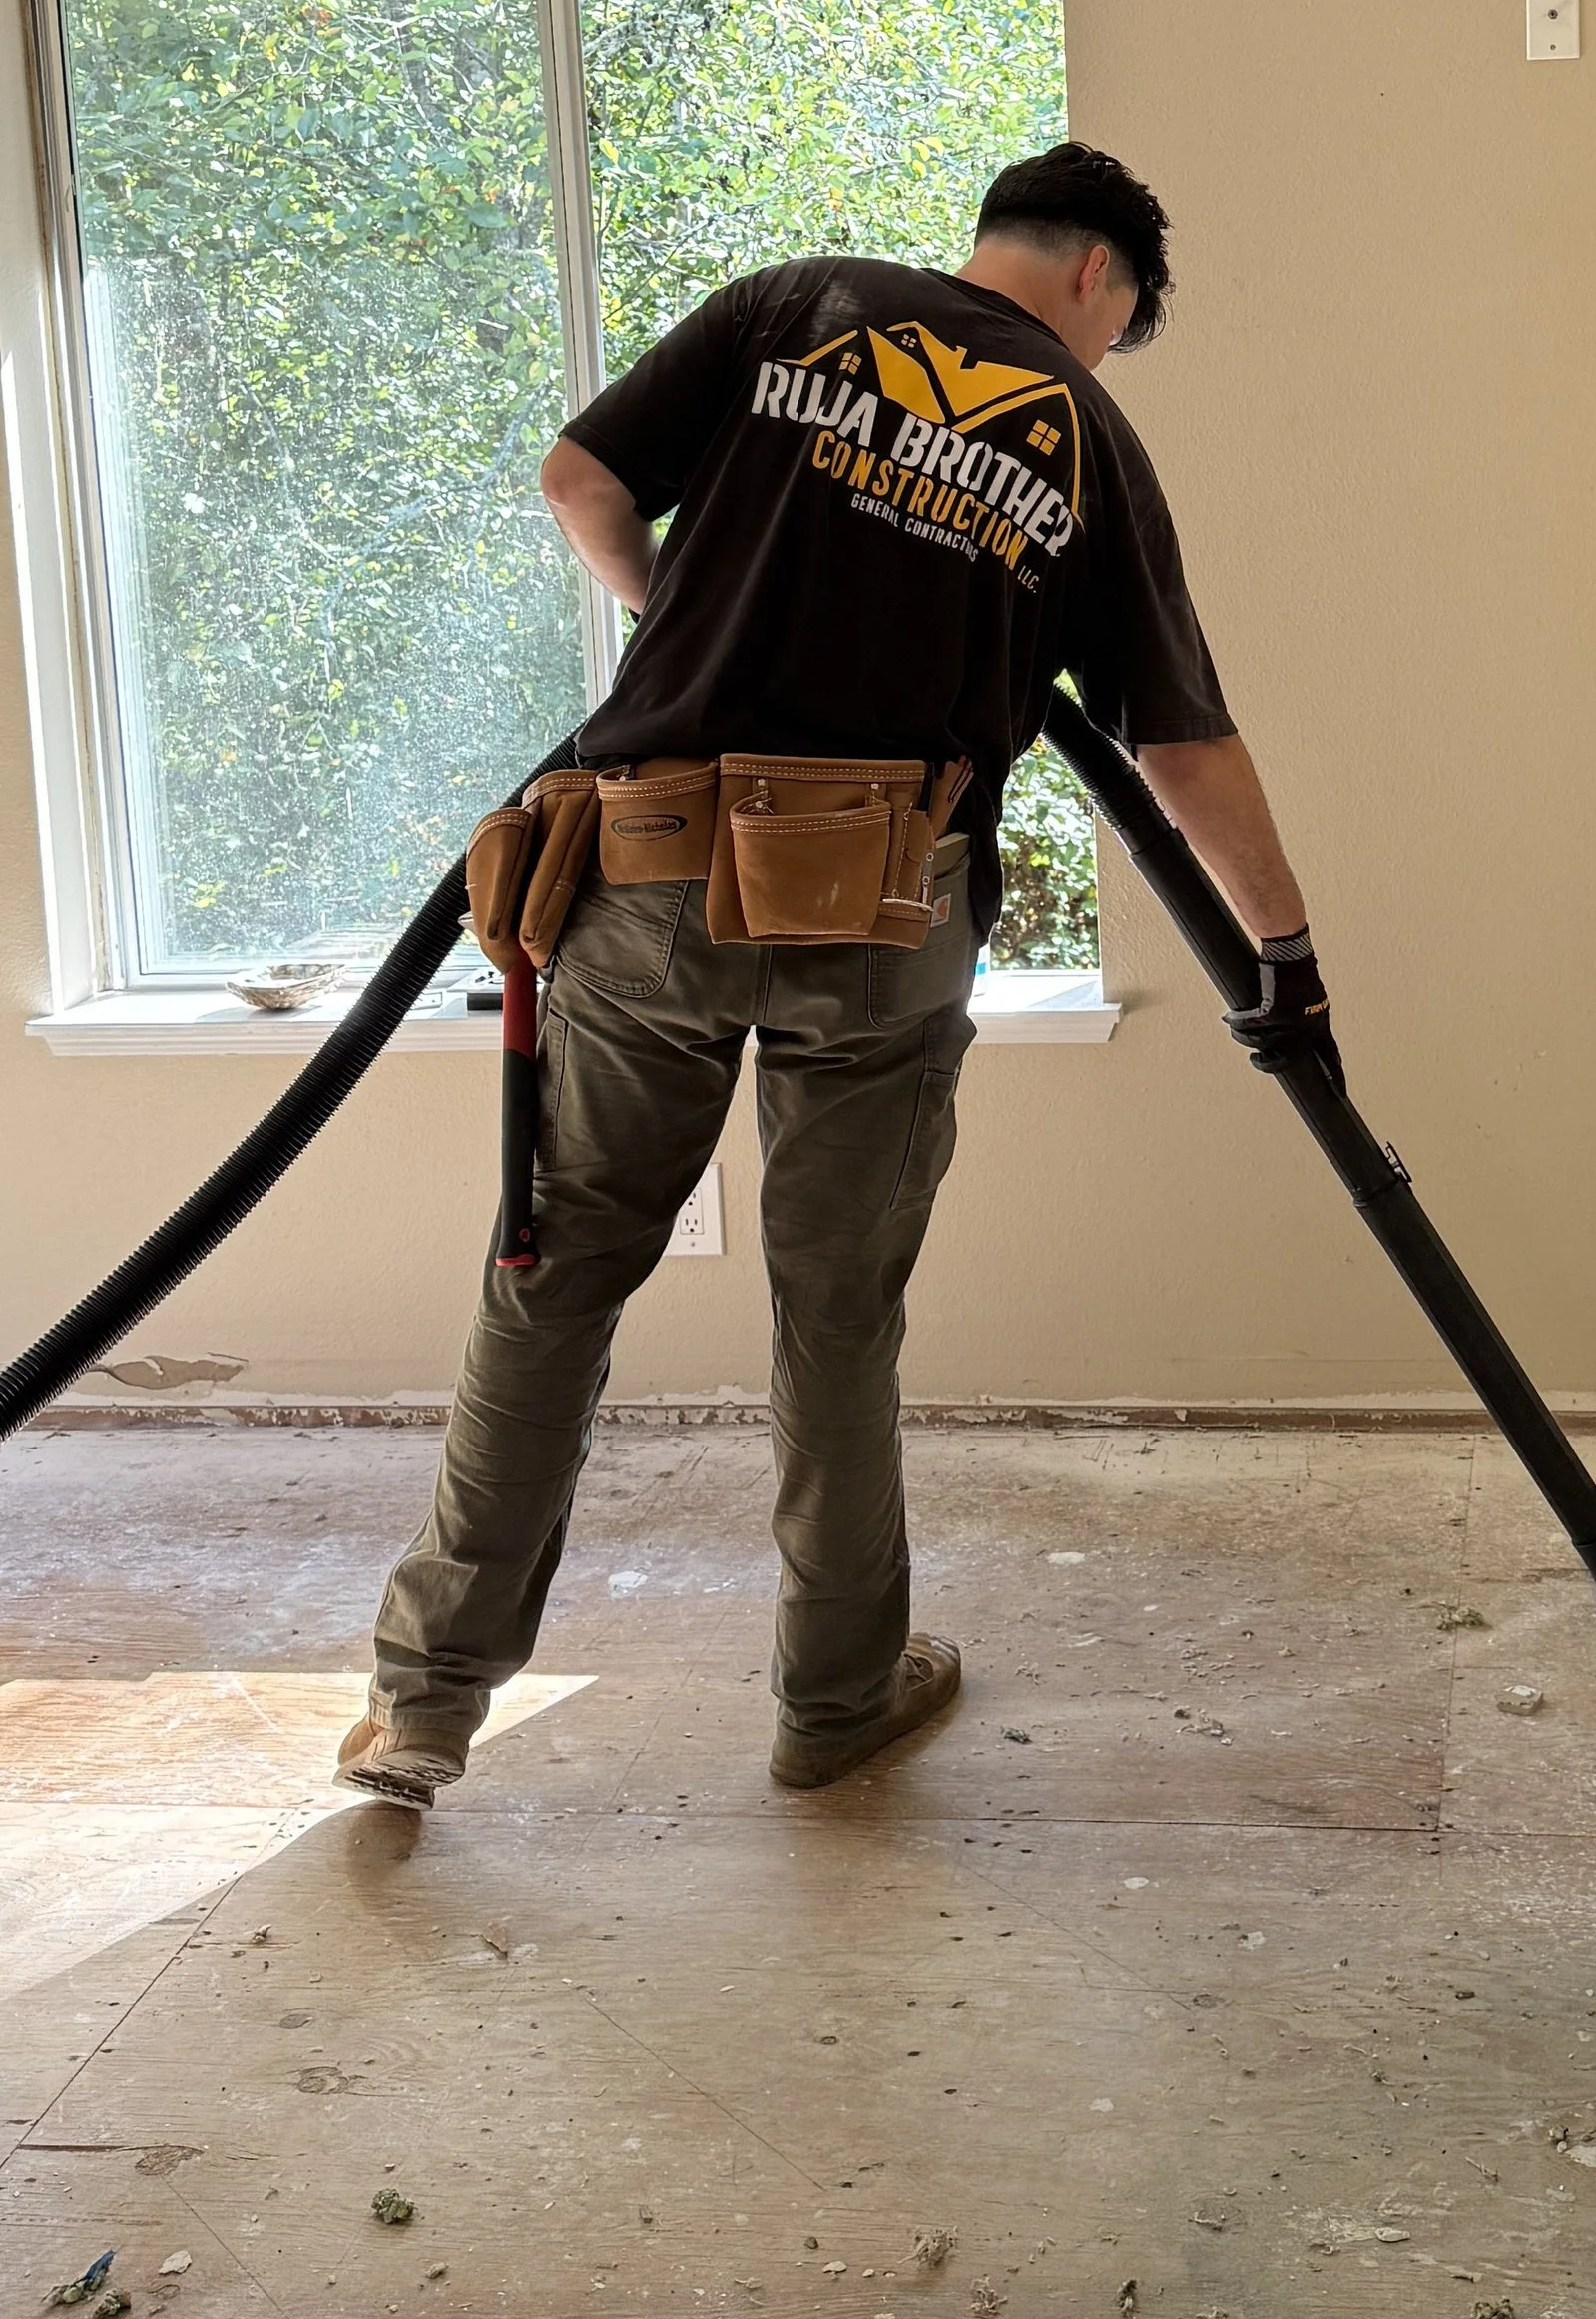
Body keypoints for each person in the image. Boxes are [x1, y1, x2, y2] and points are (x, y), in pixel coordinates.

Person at [336, 143, 1334, 1810]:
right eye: (1123, 319)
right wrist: (1283, 952)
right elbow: (1181, 741)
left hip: (645, 878)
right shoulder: (1082, 435)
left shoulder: (794, 307)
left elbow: (577, 478)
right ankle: (834, 1701)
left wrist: (674, 633)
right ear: (1101, 273)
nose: (1100, 349)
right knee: (835, 1316)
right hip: (880, 913)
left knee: (555, 1275)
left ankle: (427, 1705)